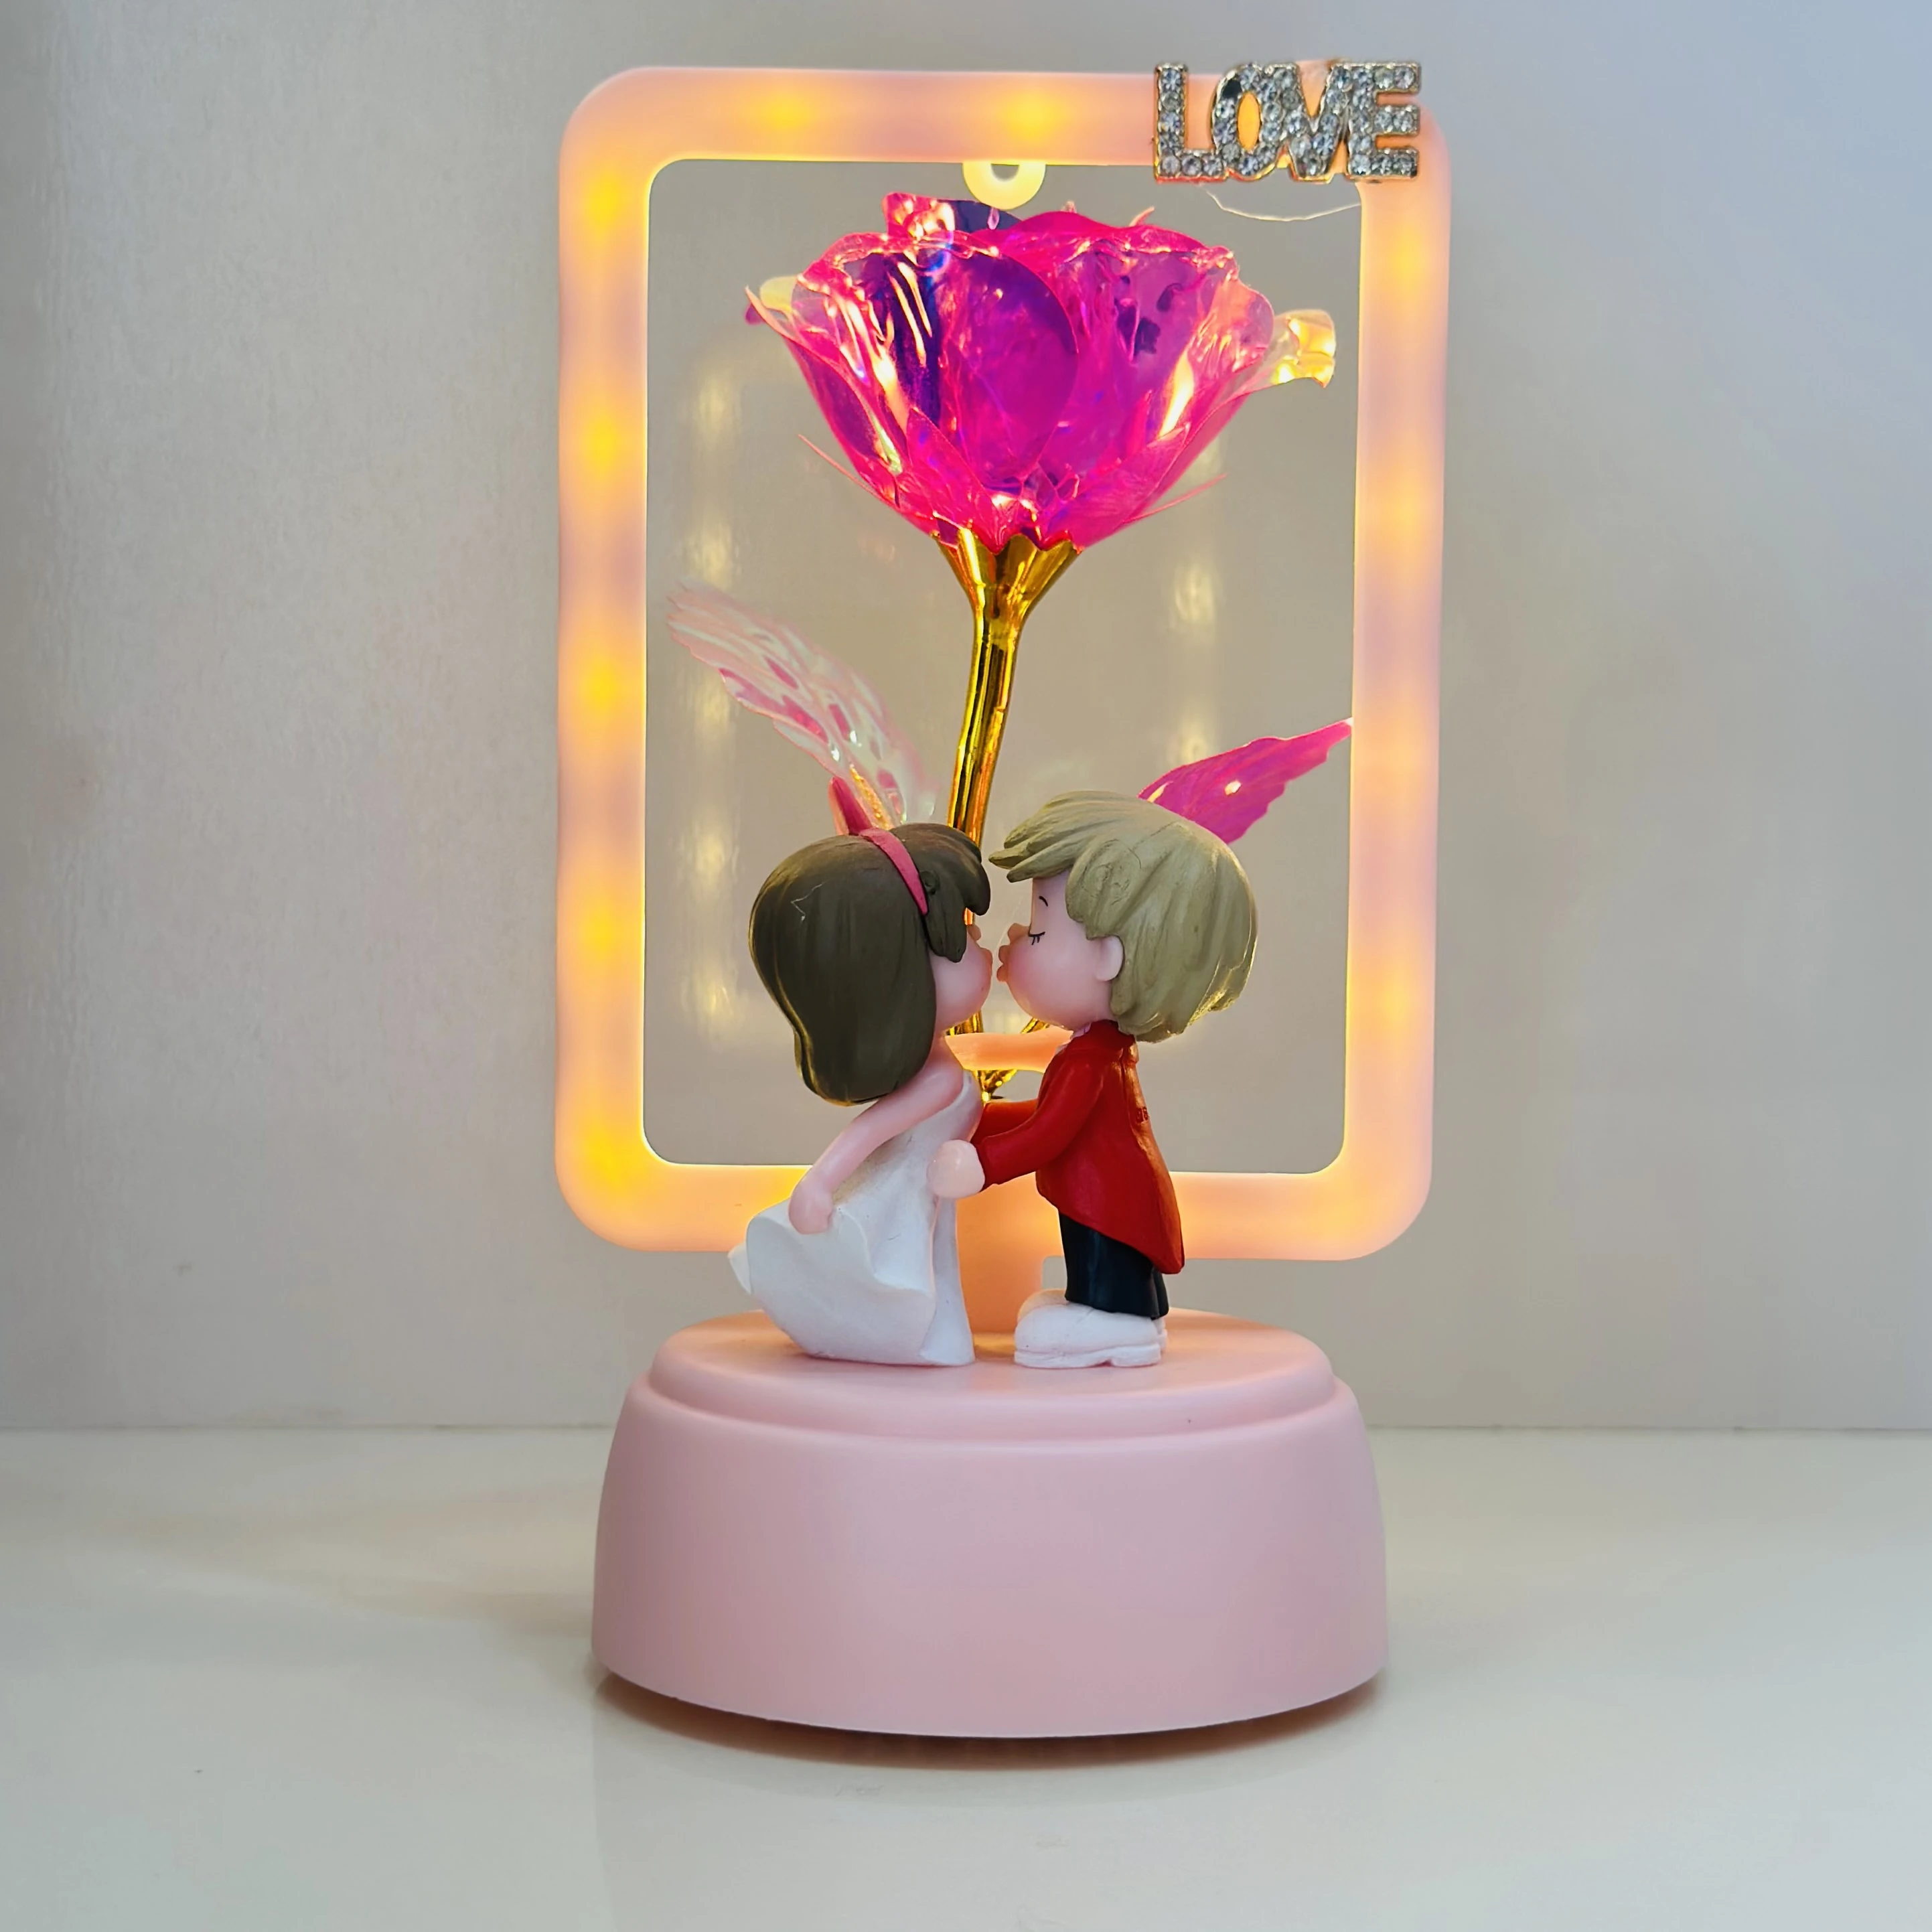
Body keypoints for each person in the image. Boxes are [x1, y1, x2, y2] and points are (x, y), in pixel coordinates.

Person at [929, 793, 1256, 1369]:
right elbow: (1049, 1116)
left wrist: (983, 1165)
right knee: (1098, 1258)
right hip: (1109, 1197)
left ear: (1108, 957)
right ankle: (1117, 1310)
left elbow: (1050, 1132)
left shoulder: (1090, 1062)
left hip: (1109, 1204)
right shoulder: (1098, 1052)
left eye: (1038, 928)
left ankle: (1117, 1321)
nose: (1014, 937)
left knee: (1102, 1260)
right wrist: (979, 1119)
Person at [733, 823, 993, 1366]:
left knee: (932, 1265)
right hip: (903, 1195)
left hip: (927, 1192)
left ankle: (939, 1337)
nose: (984, 950)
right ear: (900, 975)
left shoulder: (941, 1067)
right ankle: (931, 1339)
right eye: (965, 937)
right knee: (915, 1270)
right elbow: (870, 1130)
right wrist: (819, 1181)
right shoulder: (938, 1079)